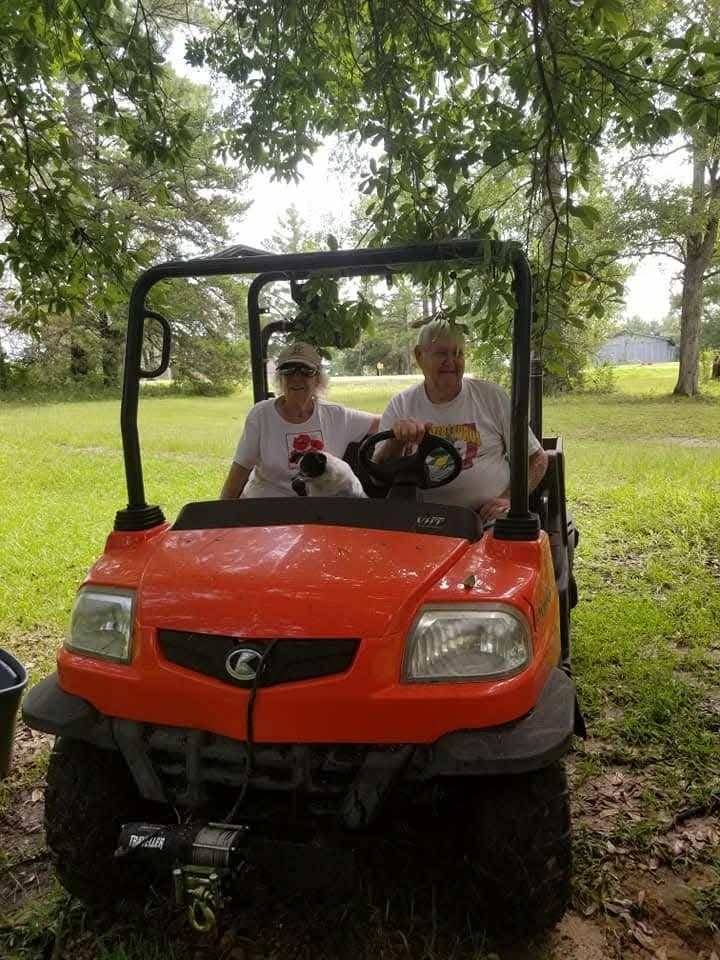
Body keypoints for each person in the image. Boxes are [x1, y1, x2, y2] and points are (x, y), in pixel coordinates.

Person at [376, 321, 548, 520]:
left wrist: (509, 499)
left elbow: (538, 459)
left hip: (489, 519)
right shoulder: (401, 405)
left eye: (458, 354)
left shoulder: (491, 397)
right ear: (419, 356)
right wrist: (395, 443)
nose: (451, 361)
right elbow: (378, 477)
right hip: (423, 522)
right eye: (441, 353)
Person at [220, 342, 379, 499]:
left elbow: (384, 423)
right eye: (288, 371)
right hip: (265, 507)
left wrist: (402, 428)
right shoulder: (261, 415)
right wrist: (221, 518)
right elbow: (238, 473)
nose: (296, 378)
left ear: (317, 379)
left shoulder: (336, 415)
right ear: (280, 378)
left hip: (316, 514)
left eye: (306, 371)